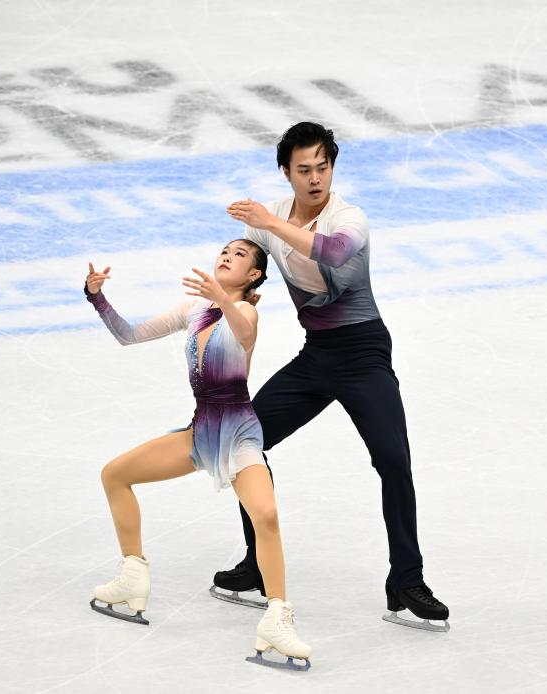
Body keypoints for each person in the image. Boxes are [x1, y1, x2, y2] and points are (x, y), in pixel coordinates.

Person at [215, 122, 450, 632]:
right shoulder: (269, 220)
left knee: (393, 461)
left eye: (323, 167)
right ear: (286, 172)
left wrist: (269, 225)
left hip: (365, 354)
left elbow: (335, 252)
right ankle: (258, 564)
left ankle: (406, 581)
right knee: (242, 442)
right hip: (317, 356)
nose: (316, 178)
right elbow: (244, 266)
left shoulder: (348, 218)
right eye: (304, 169)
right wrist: (229, 300)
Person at [85, 239, 312, 670]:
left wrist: (222, 298)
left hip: (239, 433)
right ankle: (132, 575)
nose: (227, 256)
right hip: (202, 431)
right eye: (225, 250)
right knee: (115, 474)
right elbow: (128, 335)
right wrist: (96, 297)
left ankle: (277, 618)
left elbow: (244, 333)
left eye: (240, 255)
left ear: (254, 276)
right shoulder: (193, 308)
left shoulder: (245, 311)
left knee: (265, 515)